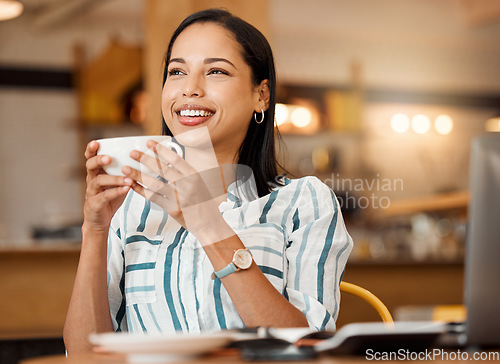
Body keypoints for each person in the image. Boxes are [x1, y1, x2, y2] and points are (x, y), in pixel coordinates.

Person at [63, 8, 353, 354]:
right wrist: (94, 232)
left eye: (216, 71)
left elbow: (306, 346)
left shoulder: (304, 202)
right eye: (177, 71)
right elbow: (82, 355)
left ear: (261, 94)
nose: (190, 89)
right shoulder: (130, 209)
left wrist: (207, 223)